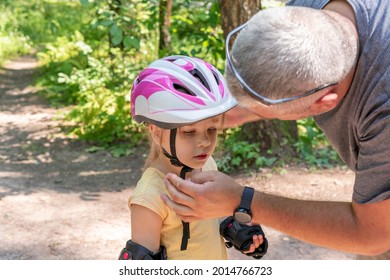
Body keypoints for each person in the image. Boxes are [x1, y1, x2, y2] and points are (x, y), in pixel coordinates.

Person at [161, 1, 390, 260]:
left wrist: (242, 200)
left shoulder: (383, 107)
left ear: (324, 103)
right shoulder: (301, 14)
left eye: (261, 110)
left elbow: (372, 234)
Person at [118, 55, 268, 260]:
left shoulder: (207, 165)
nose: (205, 142)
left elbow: (216, 215)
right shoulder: (150, 196)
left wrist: (239, 231)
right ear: (156, 130)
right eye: (189, 132)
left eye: (212, 129)